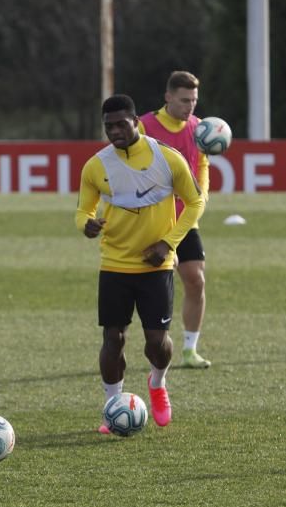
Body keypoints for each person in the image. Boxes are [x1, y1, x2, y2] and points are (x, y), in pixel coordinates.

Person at [76, 95, 205, 434]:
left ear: (136, 121)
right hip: (114, 263)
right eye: (108, 126)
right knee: (113, 338)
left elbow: (194, 202)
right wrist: (85, 224)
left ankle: (158, 383)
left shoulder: (166, 158)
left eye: (121, 124)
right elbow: (83, 210)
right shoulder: (96, 166)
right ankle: (112, 407)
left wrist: (168, 243)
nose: (115, 131)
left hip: (156, 268)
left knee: (156, 343)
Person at [138, 71, 212, 369]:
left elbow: (201, 165)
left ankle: (190, 349)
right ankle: (141, 343)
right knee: (149, 288)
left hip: (185, 221)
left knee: (196, 281)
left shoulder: (199, 128)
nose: (190, 106)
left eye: (194, 100)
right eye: (184, 100)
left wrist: (202, 194)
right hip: (153, 220)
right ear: (168, 97)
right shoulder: (145, 125)